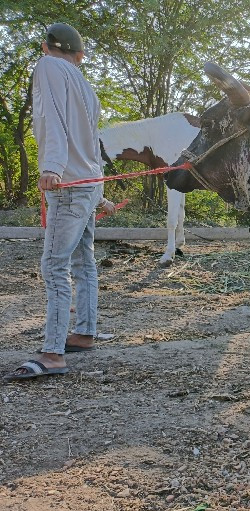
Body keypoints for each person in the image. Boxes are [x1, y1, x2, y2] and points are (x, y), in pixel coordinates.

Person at [4, 23, 117, 381]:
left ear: (45, 47)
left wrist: (51, 165)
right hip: (85, 183)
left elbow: (52, 118)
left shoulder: (49, 66)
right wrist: (98, 193)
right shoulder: (85, 85)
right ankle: (83, 333)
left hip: (68, 185)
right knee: (84, 262)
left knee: (55, 265)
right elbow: (91, 143)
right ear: (80, 55)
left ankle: (52, 353)